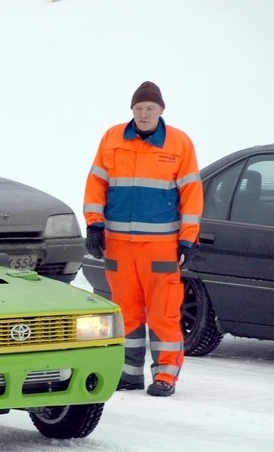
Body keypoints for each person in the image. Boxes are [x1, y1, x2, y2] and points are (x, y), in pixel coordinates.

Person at [83, 81, 203, 397]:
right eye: (138, 108)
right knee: (126, 310)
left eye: (150, 109)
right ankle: (129, 373)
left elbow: (192, 194)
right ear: (131, 111)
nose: (144, 114)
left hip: (161, 246)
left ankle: (165, 375)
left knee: (163, 312)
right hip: (119, 244)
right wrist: (94, 225)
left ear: (161, 110)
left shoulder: (179, 143)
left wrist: (187, 240)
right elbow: (96, 183)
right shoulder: (112, 138)